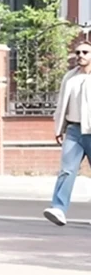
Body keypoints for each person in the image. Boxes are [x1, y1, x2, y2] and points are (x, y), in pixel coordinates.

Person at [43, 42, 91, 225]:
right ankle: (58, 208)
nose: (81, 55)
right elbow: (62, 103)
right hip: (73, 130)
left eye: (85, 52)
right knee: (66, 170)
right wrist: (59, 128)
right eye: (78, 52)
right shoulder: (70, 77)